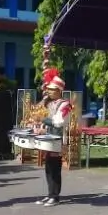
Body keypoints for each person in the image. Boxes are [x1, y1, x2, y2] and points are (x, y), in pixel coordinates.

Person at [35, 68, 72, 207]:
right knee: (48, 167)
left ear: (59, 90)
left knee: (55, 168)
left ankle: (55, 196)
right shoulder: (50, 104)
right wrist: (42, 129)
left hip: (57, 140)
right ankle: (50, 194)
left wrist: (44, 120)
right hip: (49, 139)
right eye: (48, 89)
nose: (49, 91)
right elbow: (49, 121)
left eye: (52, 89)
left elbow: (59, 122)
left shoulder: (65, 105)